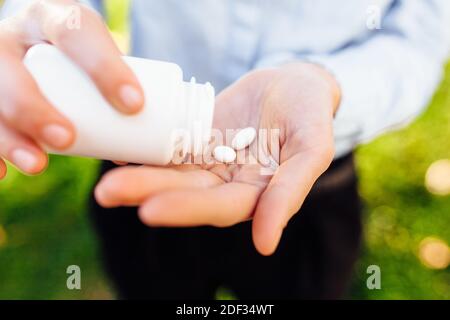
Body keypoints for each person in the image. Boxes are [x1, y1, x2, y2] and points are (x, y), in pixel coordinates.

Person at [0, 0, 449, 299]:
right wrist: (50, 18)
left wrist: (325, 84)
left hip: (311, 176)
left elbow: (419, 37)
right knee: (150, 284)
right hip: (134, 143)